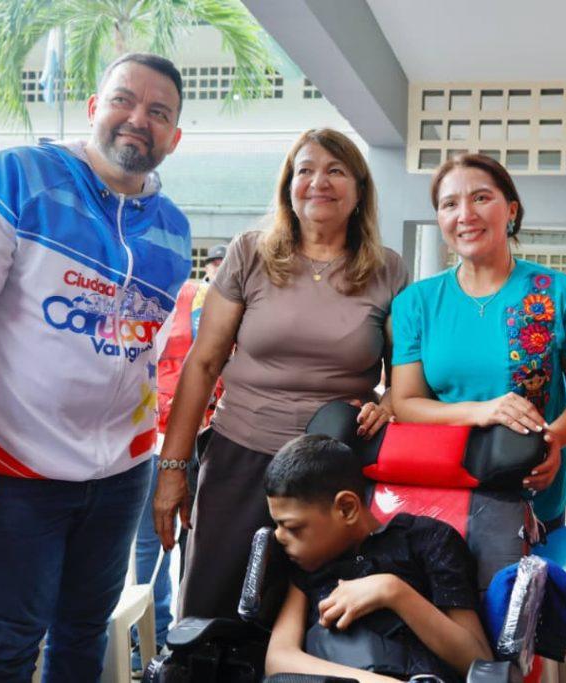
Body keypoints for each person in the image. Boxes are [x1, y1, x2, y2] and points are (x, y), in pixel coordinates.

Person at [0, 53, 190, 679]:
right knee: (6, 644)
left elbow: (144, 346)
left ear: (174, 137)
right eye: (124, 100)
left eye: (159, 112)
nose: (138, 119)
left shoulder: (173, 228)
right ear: (94, 108)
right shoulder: (17, 176)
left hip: (121, 474)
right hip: (14, 468)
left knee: (85, 634)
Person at [153, 128, 409, 620]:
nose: (319, 182)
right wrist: (172, 469)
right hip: (239, 457)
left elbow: (404, 379)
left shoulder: (388, 270)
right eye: (305, 170)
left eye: (336, 171)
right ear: (289, 186)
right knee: (211, 611)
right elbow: (203, 363)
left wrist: (388, 403)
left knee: (319, 618)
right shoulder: (250, 253)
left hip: (333, 470)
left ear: (359, 190)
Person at [390, 154, 566, 530]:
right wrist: (482, 411)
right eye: (449, 204)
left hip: (532, 496)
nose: (465, 214)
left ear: (511, 211)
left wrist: (553, 440)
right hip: (443, 494)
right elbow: (406, 403)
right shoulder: (416, 302)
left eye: (481, 198)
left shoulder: (558, 293)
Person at [263, 434, 492, 682]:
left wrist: (393, 592)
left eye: (293, 528)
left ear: (346, 508)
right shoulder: (306, 567)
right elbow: (279, 660)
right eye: (277, 525)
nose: (279, 537)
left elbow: (479, 662)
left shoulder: (425, 540)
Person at [130, 242, 230, 661]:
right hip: (170, 433)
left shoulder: (182, 296)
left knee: (165, 540)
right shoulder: (194, 297)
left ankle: (159, 638)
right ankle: (166, 637)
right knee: (174, 538)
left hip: (174, 432)